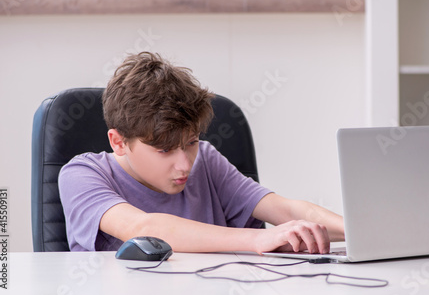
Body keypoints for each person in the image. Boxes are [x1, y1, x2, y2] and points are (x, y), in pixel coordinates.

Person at [59, 51, 344, 254]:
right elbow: (143, 227)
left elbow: (285, 209)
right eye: (165, 149)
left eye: (191, 142)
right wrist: (257, 240)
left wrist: (359, 230)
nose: (184, 165)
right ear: (119, 142)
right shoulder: (82, 175)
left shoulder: (206, 159)